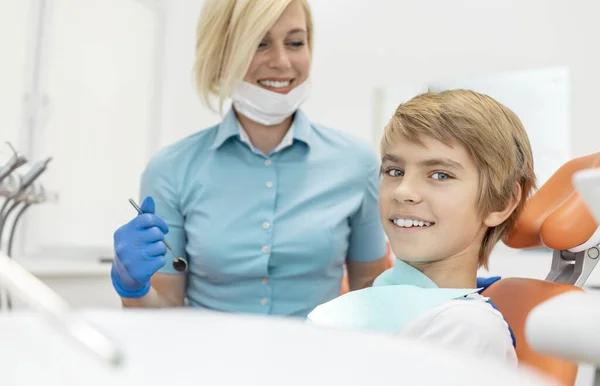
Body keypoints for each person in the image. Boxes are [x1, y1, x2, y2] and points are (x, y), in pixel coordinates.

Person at [110, 0, 388, 317]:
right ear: (222, 55)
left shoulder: (357, 163)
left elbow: (369, 292)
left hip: (318, 360)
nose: (282, 61)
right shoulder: (171, 169)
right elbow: (165, 310)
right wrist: (133, 288)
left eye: (295, 42)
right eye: (259, 43)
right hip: (209, 361)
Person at [308, 89, 536, 365]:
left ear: (500, 203)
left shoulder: (467, 329)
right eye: (395, 171)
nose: (403, 191)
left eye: (440, 175)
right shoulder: (376, 300)